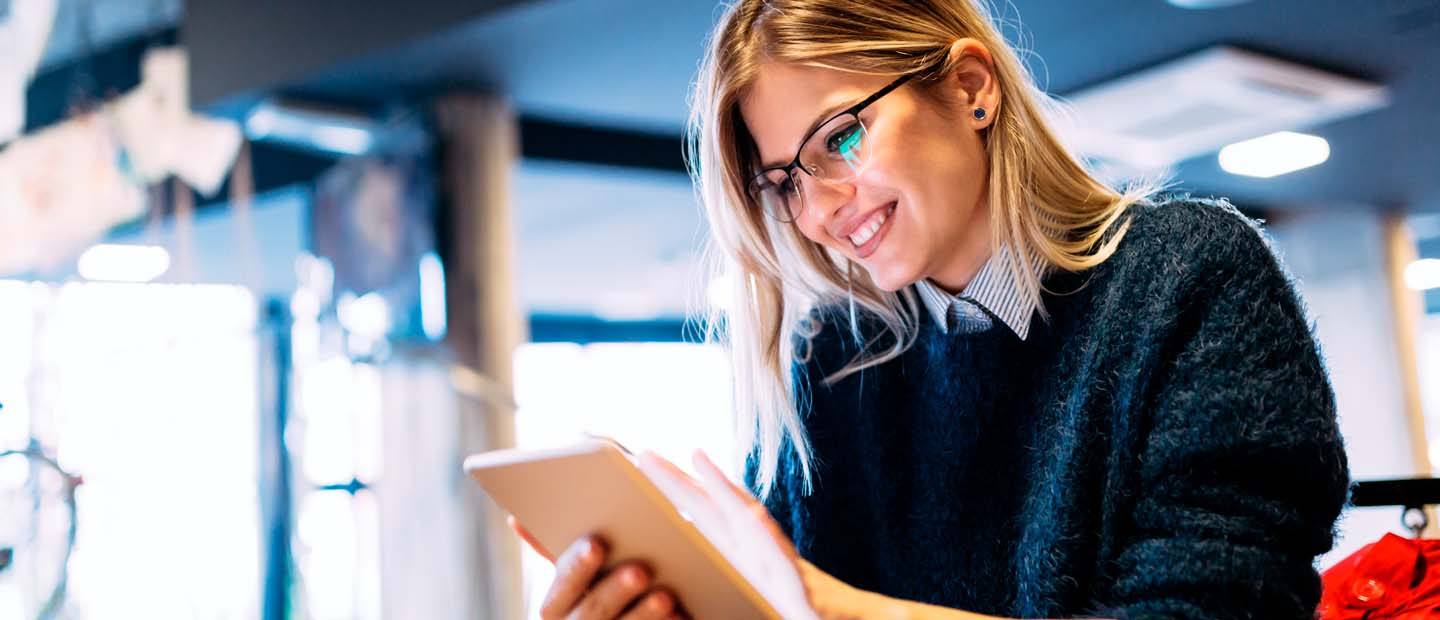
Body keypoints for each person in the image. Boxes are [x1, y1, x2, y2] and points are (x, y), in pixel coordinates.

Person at [511, 0, 1351, 618]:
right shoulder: (829, 363)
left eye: (839, 138)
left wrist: (829, 607)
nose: (820, 207)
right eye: (783, 182)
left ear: (972, 88)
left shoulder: (1189, 281)